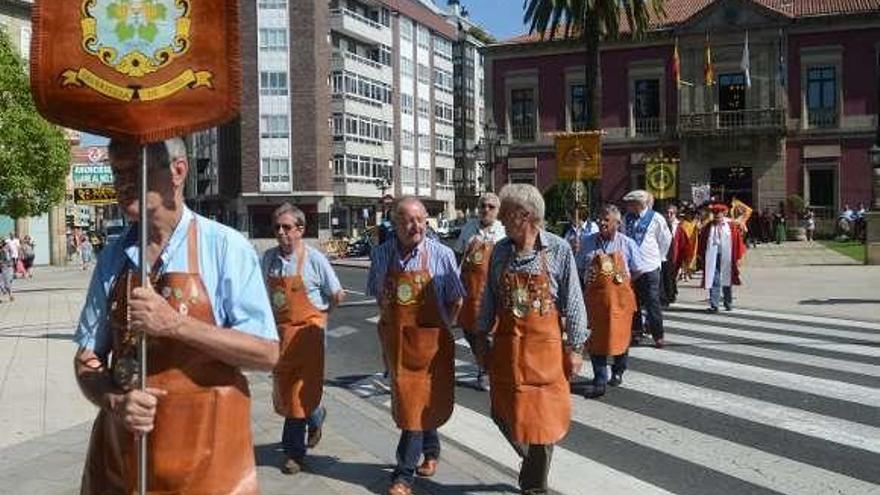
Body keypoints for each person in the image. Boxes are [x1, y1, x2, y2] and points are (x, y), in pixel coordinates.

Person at [73, 138, 279, 494]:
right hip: (124, 460)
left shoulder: (225, 247)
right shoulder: (113, 257)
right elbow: (87, 355)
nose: (121, 183)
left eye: (132, 171)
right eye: (115, 172)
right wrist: (113, 400)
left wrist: (176, 324)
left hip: (208, 461)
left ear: (178, 172)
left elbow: (266, 353)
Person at [475, 183, 586, 495]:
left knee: (541, 420)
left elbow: (574, 302)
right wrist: (481, 339)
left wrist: (576, 348)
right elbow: (489, 300)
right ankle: (533, 466)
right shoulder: (500, 251)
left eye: (506, 214)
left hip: (546, 354)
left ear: (523, 216)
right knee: (501, 411)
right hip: (508, 350)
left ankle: (534, 486)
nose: (500, 221)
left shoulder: (558, 250)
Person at [366, 196, 464, 495]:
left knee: (413, 407)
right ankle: (431, 450)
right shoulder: (382, 254)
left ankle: (403, 476)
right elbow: (378, 296)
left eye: (421, 220)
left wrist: (444, 327)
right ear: (395, 223)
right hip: (397, 344)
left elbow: (456, 299)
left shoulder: (442, 255)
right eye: (408, 220)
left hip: (430, 347)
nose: (416, 226)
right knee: (414, 403)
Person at [262, 203, 345, 475]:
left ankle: (293, 453)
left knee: (299, 392)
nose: (281, 233)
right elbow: (264, 296)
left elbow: (337, 294)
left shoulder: (314, 259)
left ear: (300, 229)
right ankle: (316, 415)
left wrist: (321, 318)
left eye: (287, 227)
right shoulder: (269, 259)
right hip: (282, 336)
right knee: (287, 391)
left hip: (309, 338)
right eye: (277, 227)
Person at [577, 204, 642, 399]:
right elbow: (579, 267)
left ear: (617, 223)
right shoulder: (587, 242)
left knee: (620, 338)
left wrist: (619, 286)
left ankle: (619, 369)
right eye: (600, 219)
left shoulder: (627, 244)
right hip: (595, 302)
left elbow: (638, 270)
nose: (602, 222)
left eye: (606, 219)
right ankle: (599, 379)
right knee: (596, 339)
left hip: (620, 303)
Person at [453, 192, 505, 391]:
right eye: (483, 205)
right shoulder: (468, 228)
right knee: (470, 332)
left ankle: (487, 370)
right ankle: (484, 364)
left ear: (497, 211)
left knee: (490, 335)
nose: (486, 210)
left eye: (491, 207)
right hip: (470, 292)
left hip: (494, 293)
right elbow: (457, 256)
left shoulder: (503, 232)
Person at [622, 190, 671, 348]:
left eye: (631, 203)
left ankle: (658, 334)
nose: (628, 206)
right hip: (632, 268)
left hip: (650, 266)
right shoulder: (626, 219)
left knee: (652, 301)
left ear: (639, 204)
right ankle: (636, 332)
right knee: (633, 301)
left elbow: (665, 239)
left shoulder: (655, 218)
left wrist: (659, 258)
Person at [698, 203, 747, 312]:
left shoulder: (730, 226)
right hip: (712, 256)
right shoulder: (708, 226)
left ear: (723, 214)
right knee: (713, 279)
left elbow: (737, 241)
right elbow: (702, 241)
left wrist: (738, 257)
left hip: (727, 255)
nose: (717, 218)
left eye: (719, 216)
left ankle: (728, 303)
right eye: (715, 215)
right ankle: (714, 305)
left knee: (727, 279)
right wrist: (701, 255)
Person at [660, 204, 680, 306]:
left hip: (674, 254)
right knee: (664, 276)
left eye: (671, 213)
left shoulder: (679, 226)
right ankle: (666, 296)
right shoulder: (661, 224)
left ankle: (671, 294)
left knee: (671, 276)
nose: (669, 215)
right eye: (667, 213)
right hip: (663, 253)